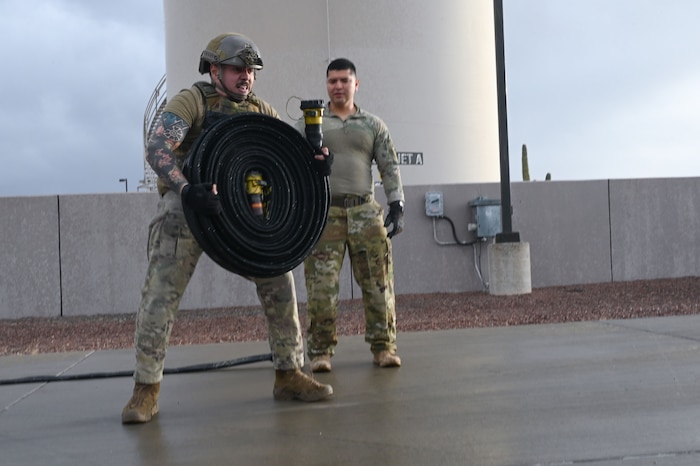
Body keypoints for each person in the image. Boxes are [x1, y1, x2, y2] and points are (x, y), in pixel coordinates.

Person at [121, 33, 333, 425]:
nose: (246, 77)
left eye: (250, 71)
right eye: (238, 69)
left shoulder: (260, 110)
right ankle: (144, 391)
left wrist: (315, 164)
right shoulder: (193, 100)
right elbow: (157, 147)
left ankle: (288, 374)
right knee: (160, 296)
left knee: (280, 281)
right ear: (215, 70)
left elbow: (282, 159)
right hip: (188, 207)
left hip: (243, 209)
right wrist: (186, 189)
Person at [301, 58, 405, 373]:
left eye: (344, 80)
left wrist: (397, 203)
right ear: (326, 85)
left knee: (378, 284)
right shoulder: (312, 124)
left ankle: (383, 347)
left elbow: (389, 165)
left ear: (355, 84)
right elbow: (293, 163)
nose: (338, 86)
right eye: (332, 80)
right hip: (324, 213)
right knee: (321, 287)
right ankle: (320, 352)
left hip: (365, 211)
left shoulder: (373, 124)